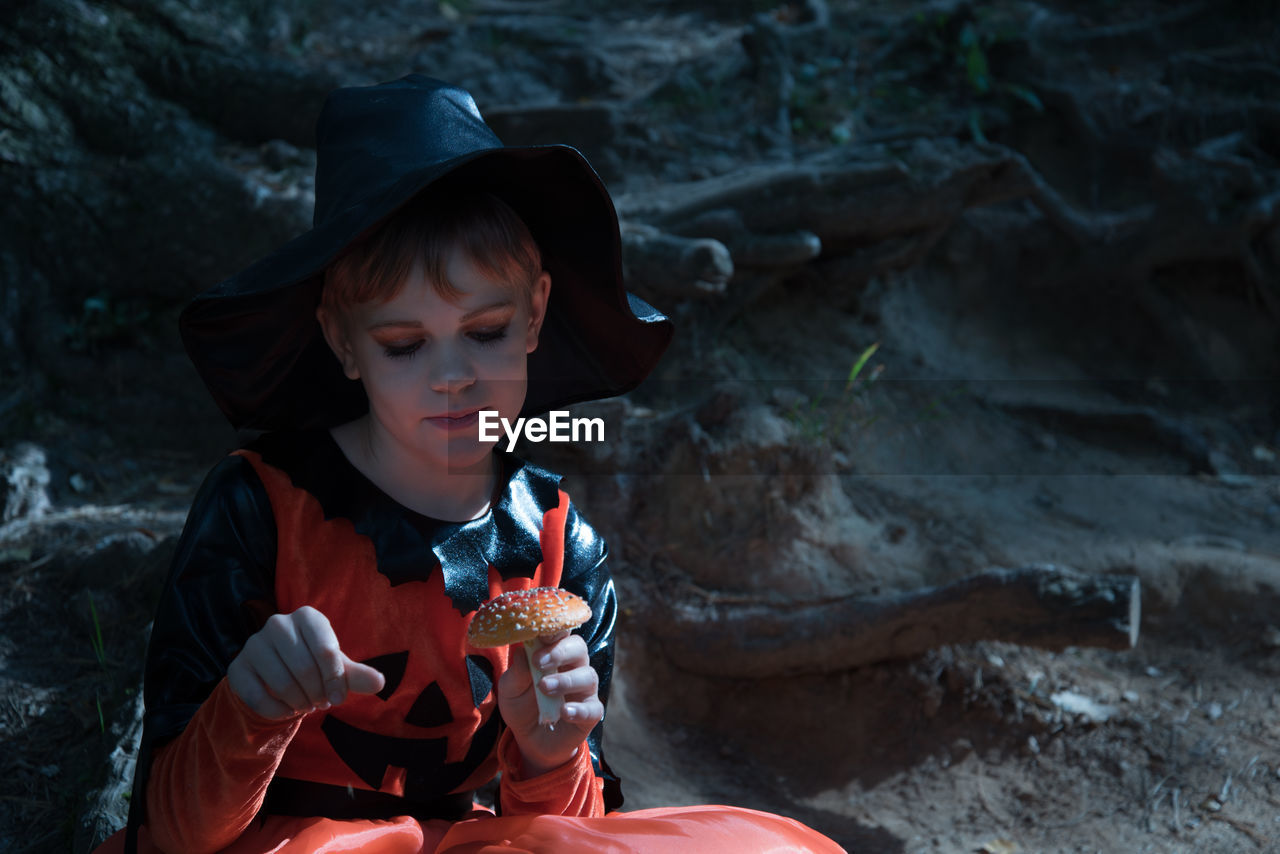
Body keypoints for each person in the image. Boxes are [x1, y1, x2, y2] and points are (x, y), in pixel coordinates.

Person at [94, 75, 845, 854]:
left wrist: (553, 752)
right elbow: (174, 836)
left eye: (484, 331)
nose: (452, 375)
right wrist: (248, 708)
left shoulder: (559, 540)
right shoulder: (260, 511)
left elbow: (575, 834)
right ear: (344, 341)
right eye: (405, 345)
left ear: (535, 314)